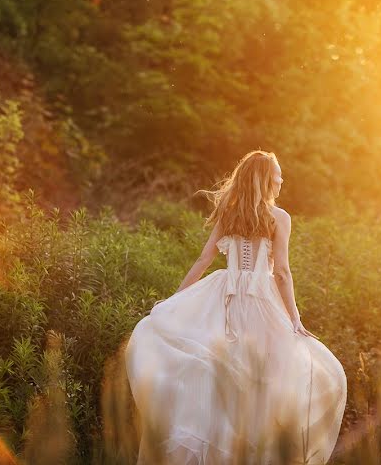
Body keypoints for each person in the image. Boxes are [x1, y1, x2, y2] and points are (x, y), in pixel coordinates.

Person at [125, 150, 347, 464]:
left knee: (223, 379)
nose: (282, 181)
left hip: (224, 298)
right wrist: (294, 319)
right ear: (265, 180)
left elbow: (204, 260)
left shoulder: (229, 212)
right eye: (278, 175)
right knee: (268, 382)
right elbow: (281, 272)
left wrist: (175, 301)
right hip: (261, 303)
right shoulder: (278, 217)